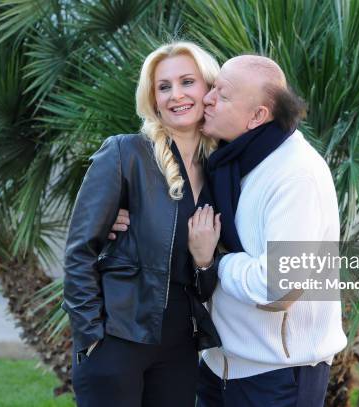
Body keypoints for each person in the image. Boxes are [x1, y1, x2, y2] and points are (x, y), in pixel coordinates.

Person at [112, 54, 347, 406]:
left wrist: (216, 261)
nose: (207, 98)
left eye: (221, 95)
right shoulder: (228, 162)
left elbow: (277, 285)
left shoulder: (297, 175)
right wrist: (126, 214)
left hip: (277, 376)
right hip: (218, 367)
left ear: (258, 116)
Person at [61, 41, 222, 407]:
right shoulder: (125, 153)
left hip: (180, 348)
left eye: (187, 82)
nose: (175, 95)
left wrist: (203, 262)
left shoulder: (219, 172)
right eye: (164, 87)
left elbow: (208, 281)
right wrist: (91, 335)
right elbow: (79, 250)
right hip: (117, 340)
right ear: (152, 98)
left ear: (209, 88)